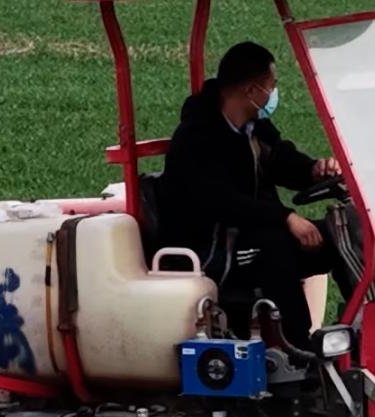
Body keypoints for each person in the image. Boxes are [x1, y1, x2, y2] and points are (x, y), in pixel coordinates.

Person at [148, 38, 347, 326]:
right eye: (271, 85)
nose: (274, 93)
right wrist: (286, 217)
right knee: (276, 248)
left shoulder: (254, 127)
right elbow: (221, 201)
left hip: (250, 232)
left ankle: (359, 332)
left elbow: (281, 160)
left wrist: (315, 170)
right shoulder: (197, 138)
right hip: (211, 246)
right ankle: (299, 348)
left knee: (340, 237)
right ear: (252, 90)